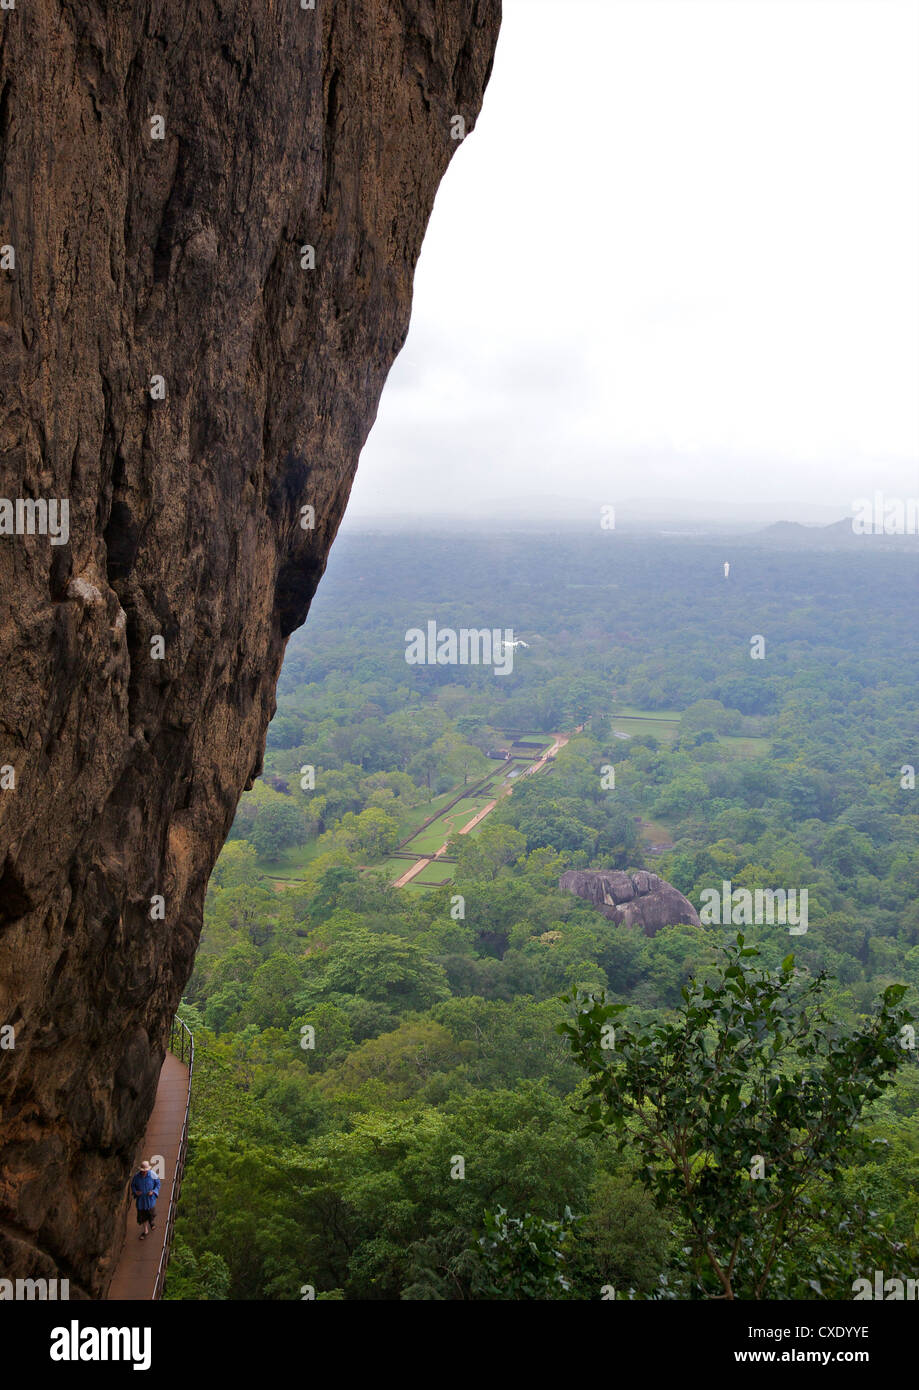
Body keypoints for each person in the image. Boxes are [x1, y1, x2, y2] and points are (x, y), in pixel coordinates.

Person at [131, 1160, 161, 1241]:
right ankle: (145, 1231)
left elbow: (158, 1183)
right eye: (143, 1171)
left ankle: (151, 1222)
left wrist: (154, 1191)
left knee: (151, 1213)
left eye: (146, 1171)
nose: (144, 1172)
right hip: (141, 1200)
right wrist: (135, 1192)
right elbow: (133, 1185)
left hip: (149, 1199)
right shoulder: (136, 1177)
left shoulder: (152, 1174)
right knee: (142, 1216)